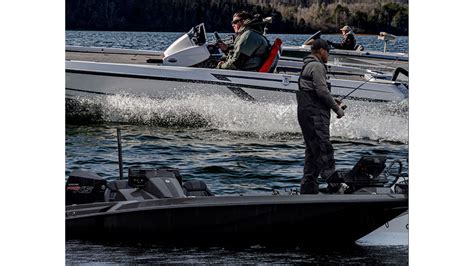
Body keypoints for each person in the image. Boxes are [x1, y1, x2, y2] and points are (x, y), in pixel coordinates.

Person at [296, 39, 345, 194]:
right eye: (328, 51)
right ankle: (335, 186)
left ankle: (308, 188)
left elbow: (315, 91)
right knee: (324, 149)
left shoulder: (307, 65)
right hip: (314, 115)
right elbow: (322, 92)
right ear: (322, 51)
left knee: (312, 151)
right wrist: (337, 109)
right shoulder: (317, 66)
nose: (328, 55)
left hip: (307, 113)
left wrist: (332, 100)